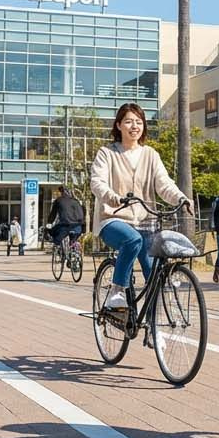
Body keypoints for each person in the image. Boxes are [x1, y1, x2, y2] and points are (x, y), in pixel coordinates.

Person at [89, 102, 190, 313]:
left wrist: (181, 198)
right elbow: (97, 182)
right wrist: (113, 197)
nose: (134, 126)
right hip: (113, 218)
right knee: (131, 239)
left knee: (154, 274)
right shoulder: (107, 153)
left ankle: (154, 329)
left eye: (139, 121)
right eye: (128, 121)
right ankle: (117, 291)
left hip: (145, 221)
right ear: (118, 125)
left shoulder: (150, 154)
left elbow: (164, 183)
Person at [46, 185, 87, 252]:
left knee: (54, 234)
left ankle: (59, 249)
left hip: (64, 226)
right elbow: (82, 213)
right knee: (73, 239)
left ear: (61, 192)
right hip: (78, 227)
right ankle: (74, 247)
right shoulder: (76, 201)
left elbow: (53, 214)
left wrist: (49, 223)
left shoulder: (58, 201)